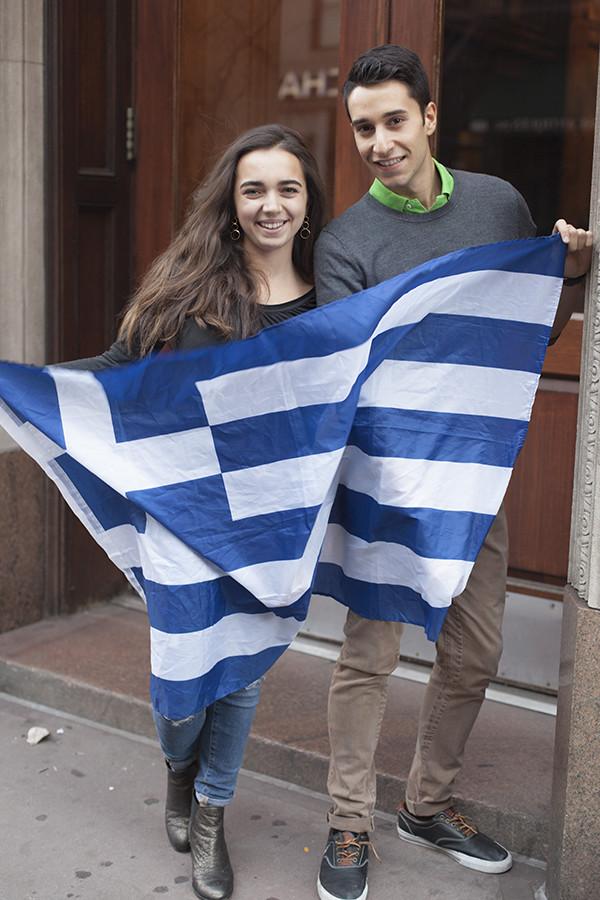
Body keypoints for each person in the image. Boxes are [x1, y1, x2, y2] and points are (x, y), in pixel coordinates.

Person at [313, 44, 592, 900]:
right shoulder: (346, 243)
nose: (379, 141)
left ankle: (427, 803)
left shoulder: (498, 205)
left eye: (394, 121)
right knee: (369, 656)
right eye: (364, 127)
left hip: (474, 479)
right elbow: (341, 378)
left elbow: (533, 329)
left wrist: (573, 266)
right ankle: (348, 824)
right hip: (386, 482)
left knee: (476, 650)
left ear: (429, 118)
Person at [62, 123, 326, 900]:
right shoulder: (190, 284)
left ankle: (211, 817)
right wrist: (25, 387)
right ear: (232, 202)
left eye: (287, 188)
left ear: (307, 202)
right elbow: (114, 375)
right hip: (182, 518)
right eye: (254, 189)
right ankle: (180, 763)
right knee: (183, 681)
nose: (270, 205)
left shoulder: (333, 297)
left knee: (240, 675)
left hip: (273, 525)